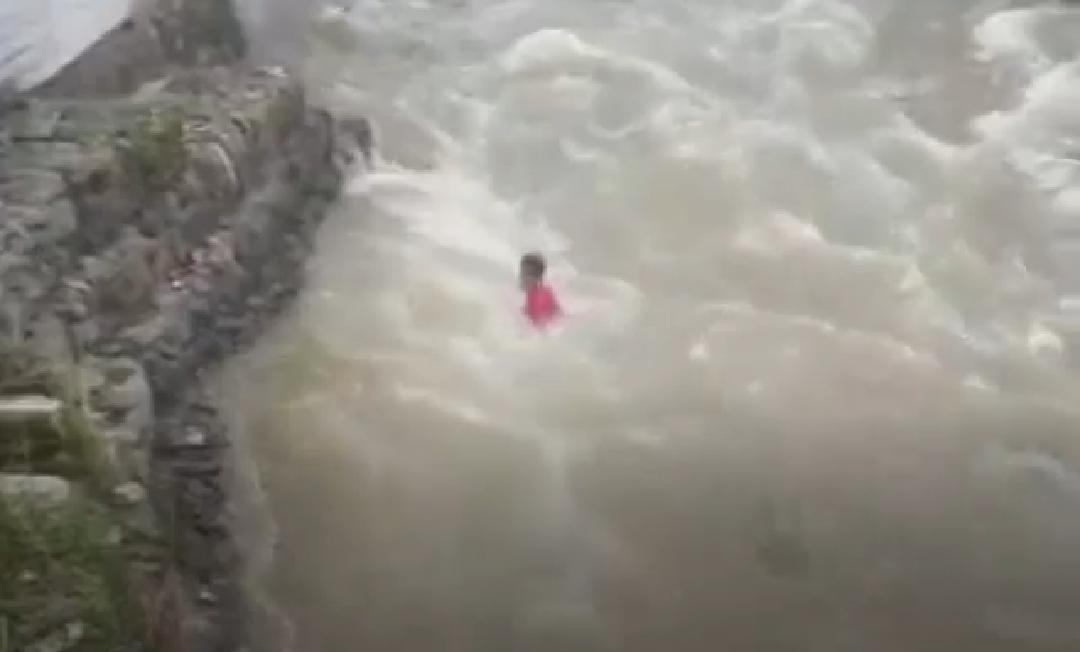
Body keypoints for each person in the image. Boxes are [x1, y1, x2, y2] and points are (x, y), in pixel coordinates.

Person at [520, 252, 562, 327]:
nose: (522, 278)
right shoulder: (537, 289)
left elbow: (539, 326)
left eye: (527, 275)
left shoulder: (538, 298)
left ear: (538, 278)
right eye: (522, 273)